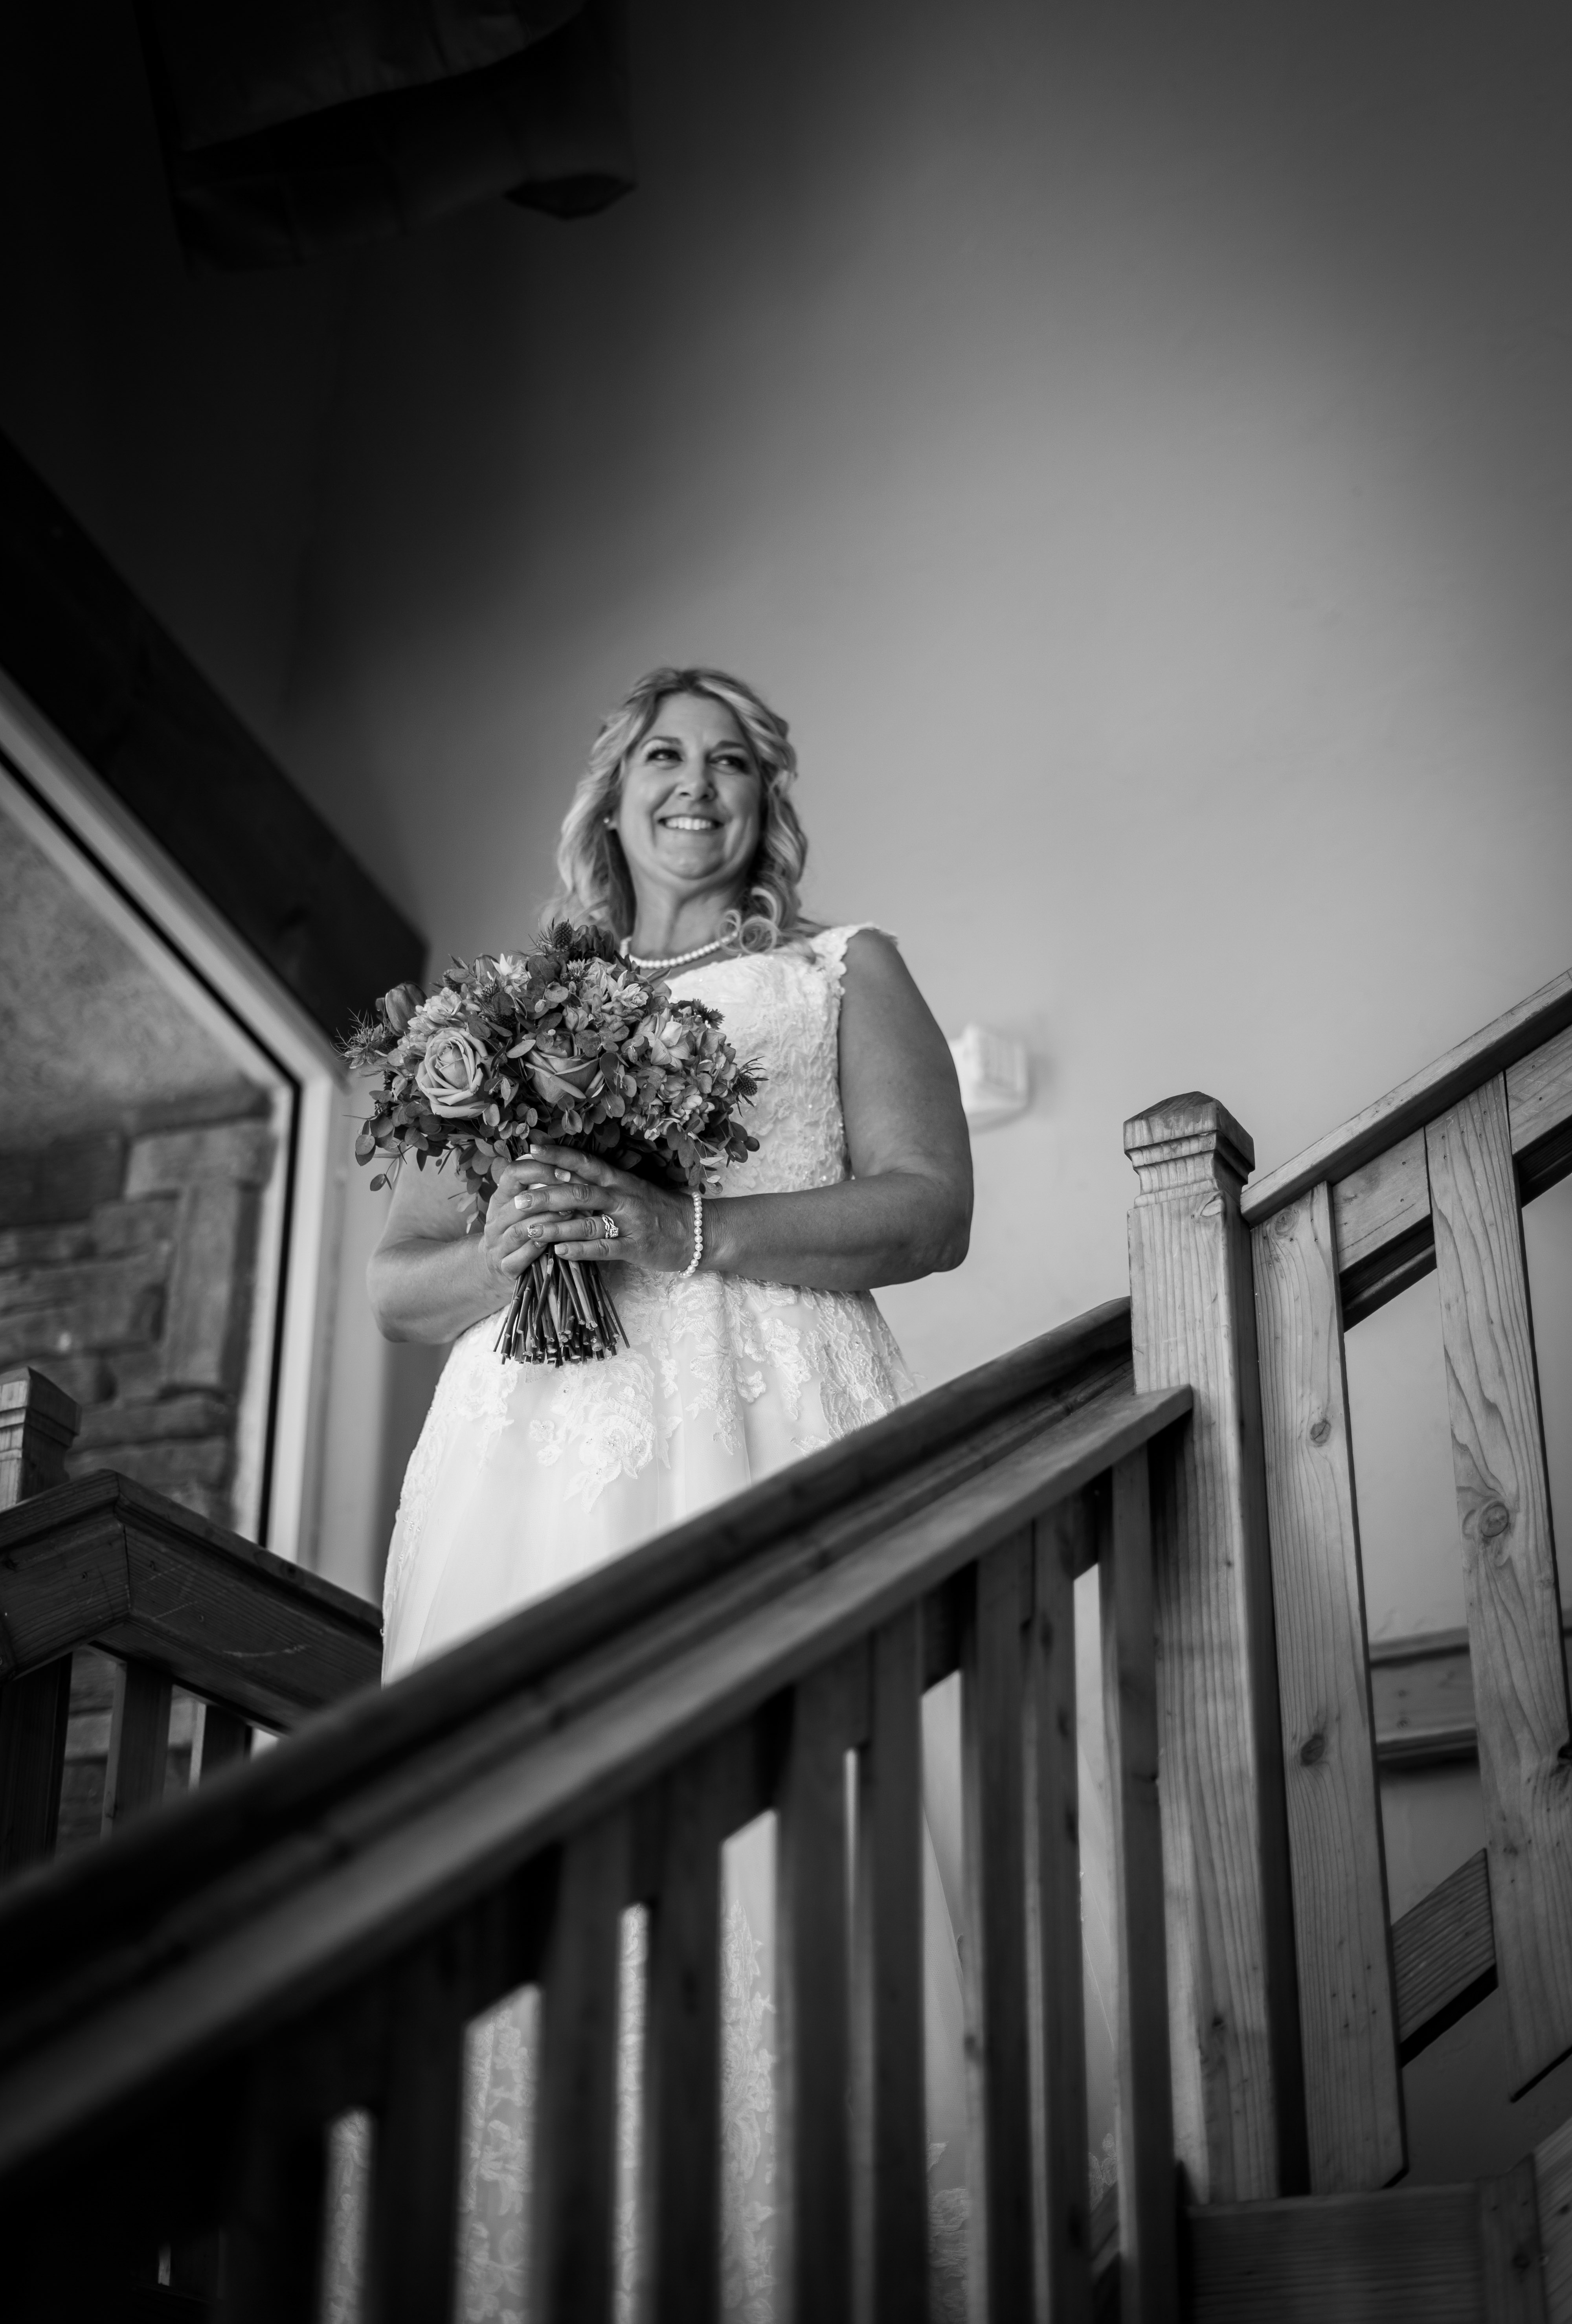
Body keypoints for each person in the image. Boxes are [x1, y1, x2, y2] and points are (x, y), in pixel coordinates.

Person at [360, 666, 975, 2324]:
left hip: (765, 1413)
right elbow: (397, 1286)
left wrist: (674, 1232)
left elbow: (925, 1211)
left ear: (764, 805)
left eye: (728, 764)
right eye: (661, 756)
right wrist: (507, 1253)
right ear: (610, 794)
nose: (694, 785)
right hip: (530, 1452)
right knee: (524, 1811)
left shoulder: (840, 972)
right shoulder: (503, 1008)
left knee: (769, 1771)